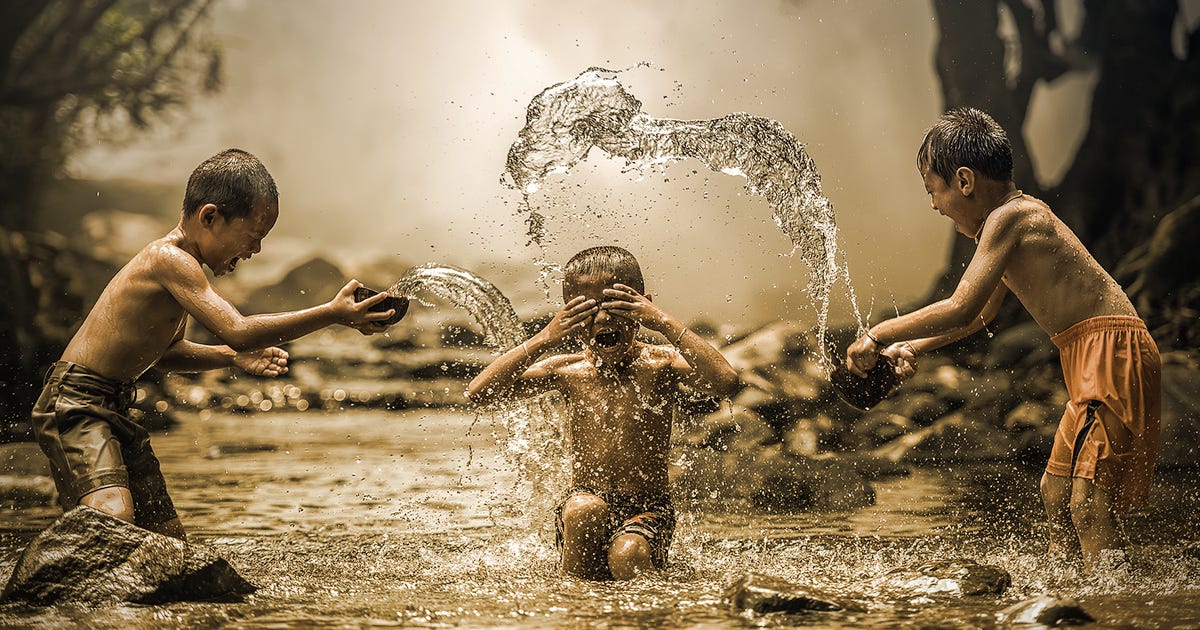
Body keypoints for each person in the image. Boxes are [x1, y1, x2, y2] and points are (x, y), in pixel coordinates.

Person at [846, 108, 1161, 572]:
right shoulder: (1008, 224)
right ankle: (1067, 594)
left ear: (965, 181)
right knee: (1055, 494)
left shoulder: (1012, 217)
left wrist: (876, 335)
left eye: (933, 189)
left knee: (1088, 503)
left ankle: (1115, 608)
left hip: (1112, 352)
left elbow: (961, 306)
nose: (934, 204)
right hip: (1092, 353)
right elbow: (978, 319)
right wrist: (913, 347)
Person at [31, 148, 398, 541]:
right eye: (253, 236)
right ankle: (44, 584)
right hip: (77, 402)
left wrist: (231, 358)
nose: (255, 250)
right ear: (210, 217)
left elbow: (169, 353)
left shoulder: (184, 271)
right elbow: (237, 329)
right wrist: (332, 313)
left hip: (116, 406)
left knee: (168, 540)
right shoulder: (167, 259)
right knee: (114, 516)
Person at [467, 246, 740, 580]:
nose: (603, 319)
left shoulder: (662, 364)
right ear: (567, 315)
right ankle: (578, 608)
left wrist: (664, 321)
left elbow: (725, 383)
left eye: (615, 305)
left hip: (649, 508)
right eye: (586, 310)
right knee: (586, 509)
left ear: (643, 305)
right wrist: (545, 338)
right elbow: (480, 394)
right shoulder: (566, 369)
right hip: (581, 504)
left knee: (628, 555)